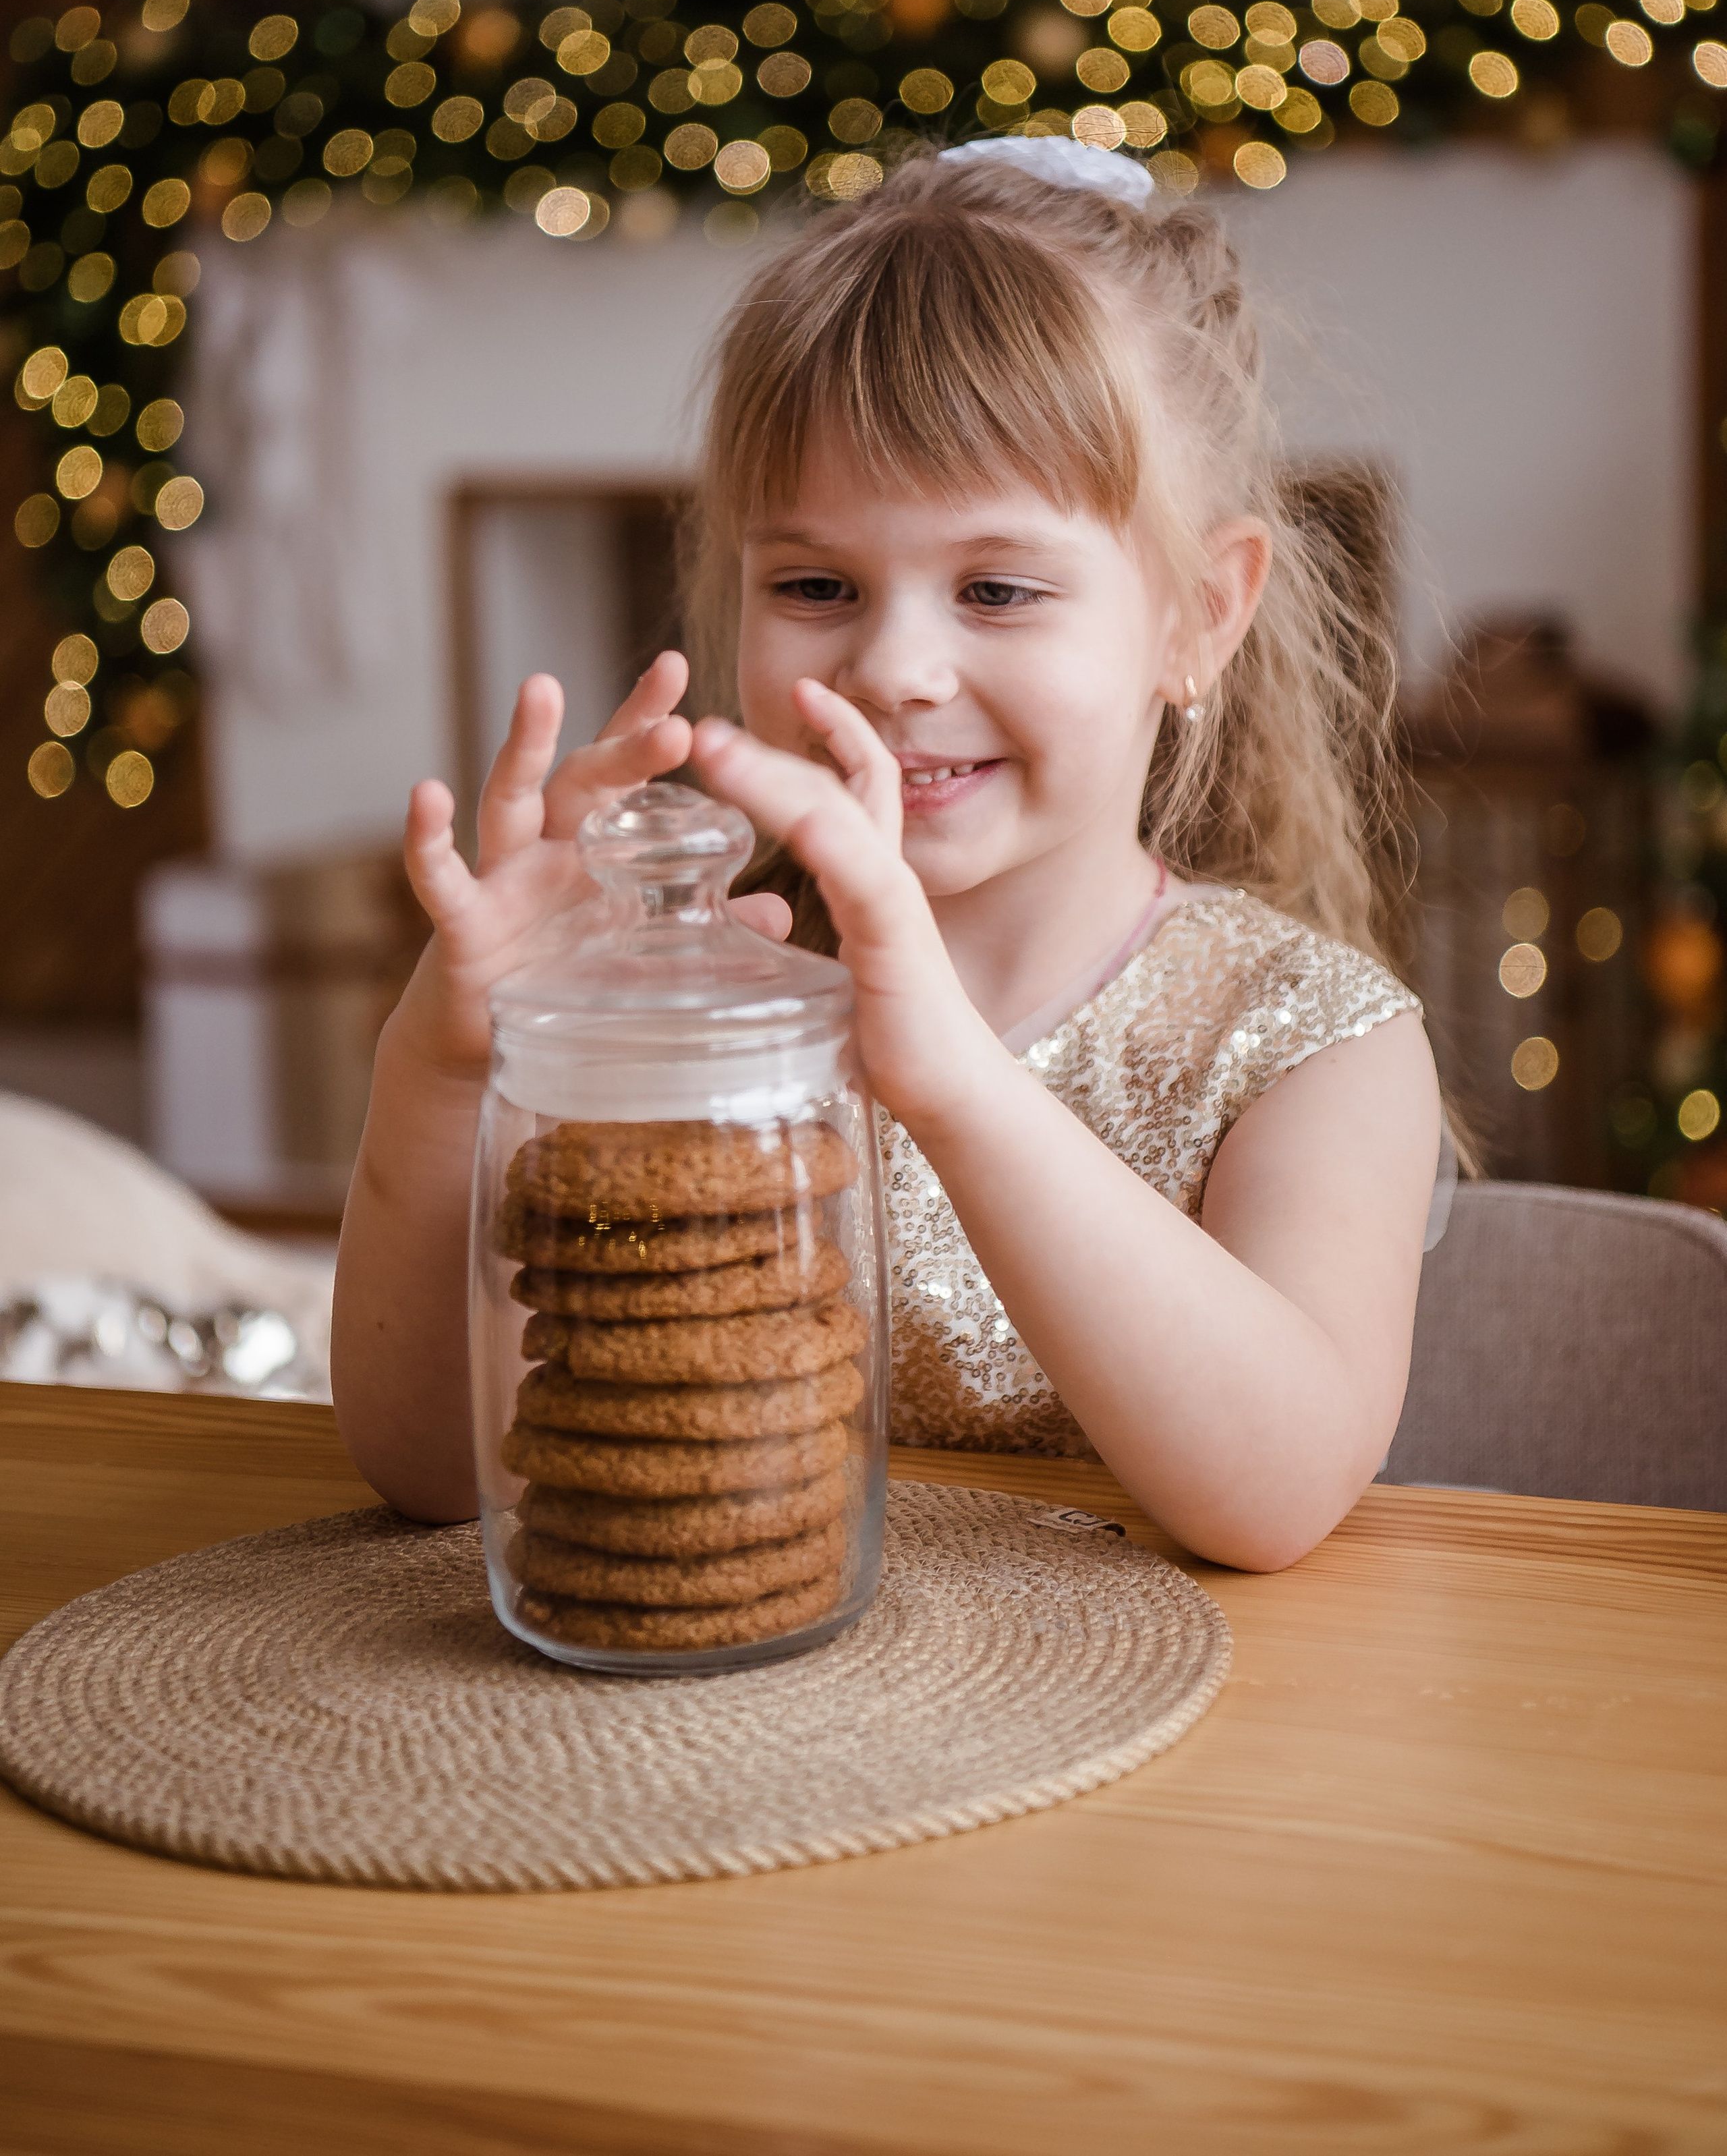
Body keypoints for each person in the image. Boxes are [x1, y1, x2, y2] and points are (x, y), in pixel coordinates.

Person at [332, 137, 1442, 1569]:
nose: (895, 665)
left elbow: (1277, 1497)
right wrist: (452, 1061)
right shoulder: (692, 999)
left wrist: (951, 1080)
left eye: (994, 588)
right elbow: (430, 1473)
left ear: (1197, 617)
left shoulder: (1309, 1047)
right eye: (813, 585)